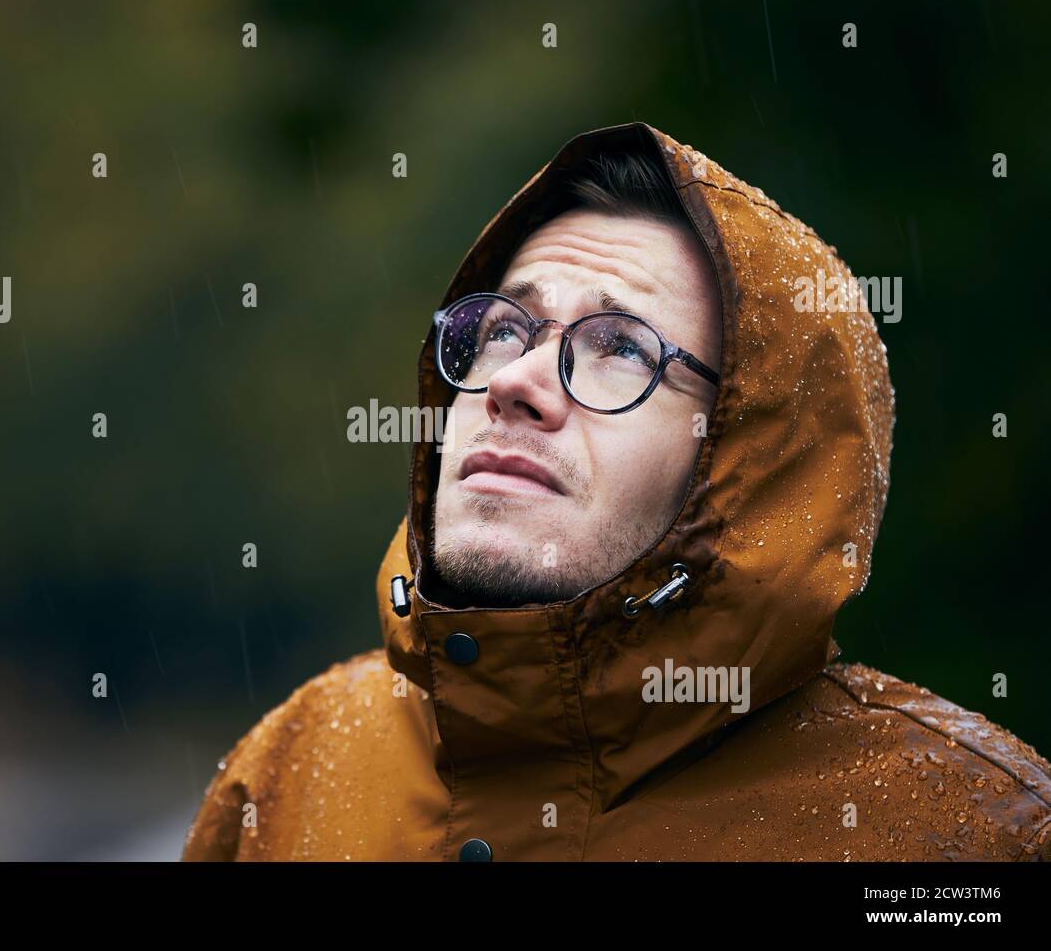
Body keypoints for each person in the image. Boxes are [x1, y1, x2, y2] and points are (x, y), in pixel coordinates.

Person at [181, 123, 1051, 861]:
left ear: (746, 462)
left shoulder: (962, 834)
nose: (515, 381)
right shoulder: (290, 772)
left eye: (622, 347)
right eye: (503, 329)